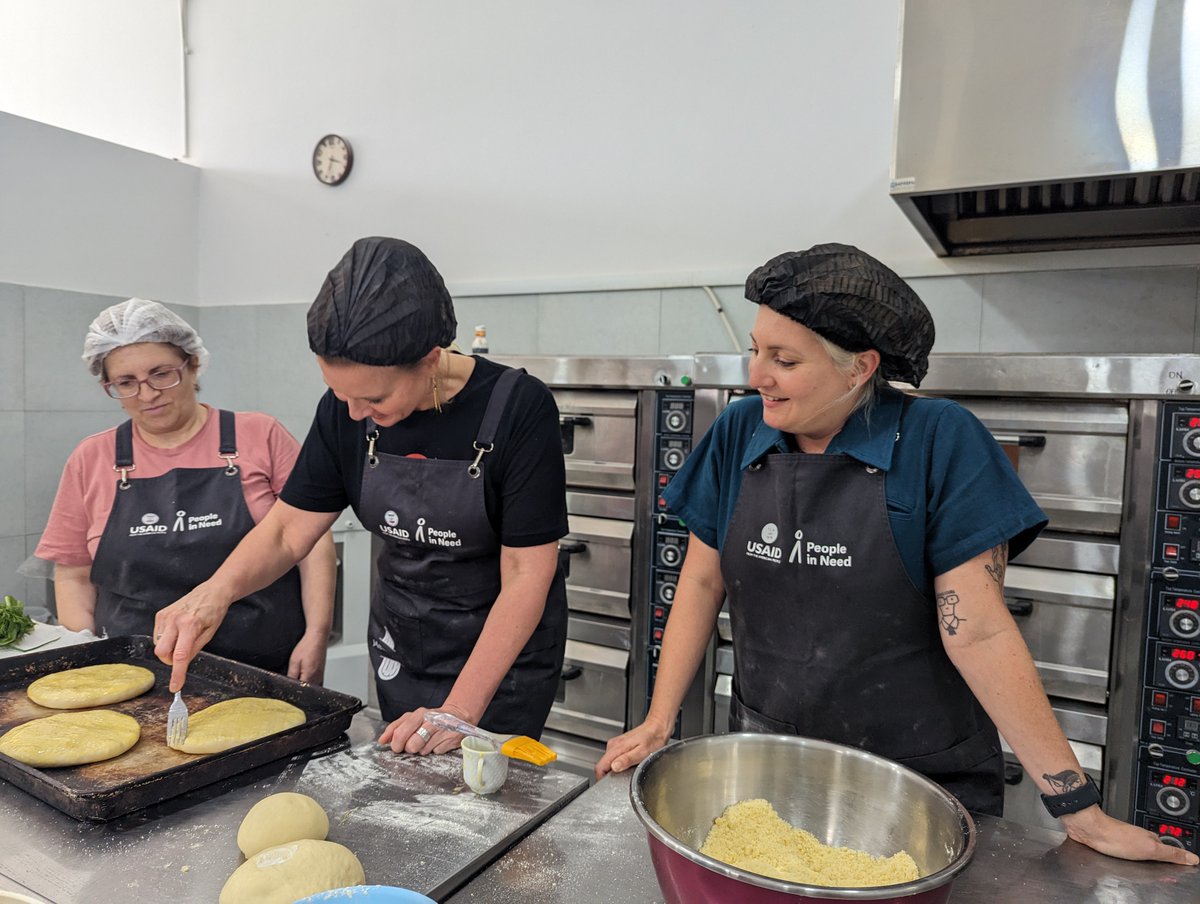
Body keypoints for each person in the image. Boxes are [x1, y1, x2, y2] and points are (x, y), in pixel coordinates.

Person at [597, 243, 1198, 867]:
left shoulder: (941, 441)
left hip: (915, 787)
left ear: (860, 368)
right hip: (768, 773)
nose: (756, 376)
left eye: (785, 360)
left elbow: (982, 633)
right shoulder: (740, 430)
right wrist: (659, 719)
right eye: (756, 350)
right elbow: (699, 582)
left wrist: (1079, 809)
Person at [153, 237, 569, 755]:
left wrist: (459, 711)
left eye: (373, 398)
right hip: (404, 641)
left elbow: (528, 572)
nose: (353, 413)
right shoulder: (345, 410)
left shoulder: (518, 407)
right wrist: (211, 595)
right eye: (341, 394)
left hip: (499, 663)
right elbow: (287, 530)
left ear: (430, 360)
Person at [36, 299, 337, 681]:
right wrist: (89, 656)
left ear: (192, 364)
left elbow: (312, 543)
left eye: (162, 374)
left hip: (263, 664)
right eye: (126, 383)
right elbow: (74, 573)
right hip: (135, 672)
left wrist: (316, 633)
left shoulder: (260, 435)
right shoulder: (91, 458)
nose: (147, 395)